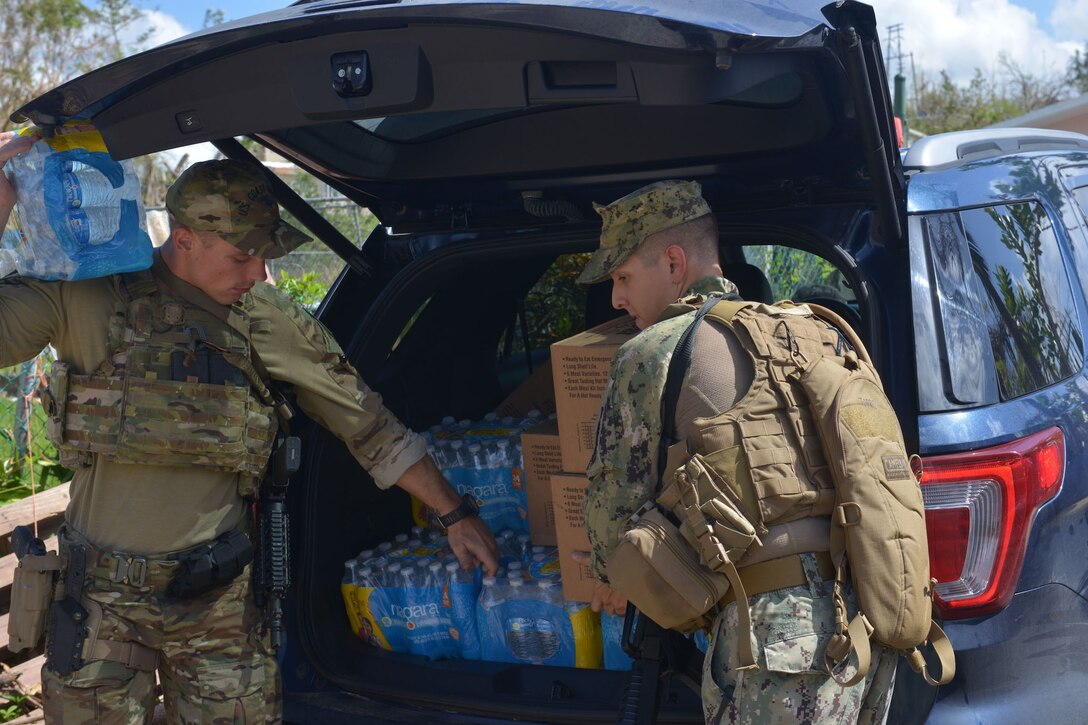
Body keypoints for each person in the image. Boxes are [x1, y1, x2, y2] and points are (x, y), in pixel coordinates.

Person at [0, 130, 500, 723]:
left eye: (265, 254)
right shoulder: (84, 293)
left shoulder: (267, 316)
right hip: (101, 600)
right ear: (183, 240)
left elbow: (368, 424)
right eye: (241, 256)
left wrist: (453, 513)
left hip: (218, 600)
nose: (258, 271)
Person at [576, 180, 896, 724]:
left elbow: (610, 525)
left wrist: (612, 579)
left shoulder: (649, 353)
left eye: (623, 277)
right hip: (871, 612)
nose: (616, 299)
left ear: (674, 263)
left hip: (776, 644)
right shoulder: (808, 334)